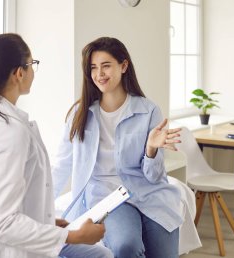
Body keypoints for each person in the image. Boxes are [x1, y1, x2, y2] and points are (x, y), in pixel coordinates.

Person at [0, 33, 113, 258]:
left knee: (100, 255)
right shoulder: (9, 131)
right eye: (32, 64)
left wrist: (47, 221)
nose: (33, 71)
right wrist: (73, 236)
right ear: (19, 73)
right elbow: (1, 223)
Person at [52, 37, 183, 258]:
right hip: (108, 198)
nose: (99, 74)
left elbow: (154, 176)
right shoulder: (80, 114)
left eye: (106, 66)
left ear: (123, 66)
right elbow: (62, 164)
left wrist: (151, 150)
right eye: (93, 68)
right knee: (126, 246)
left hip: (150, 194)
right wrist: (38, 209)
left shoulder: (148, 110)